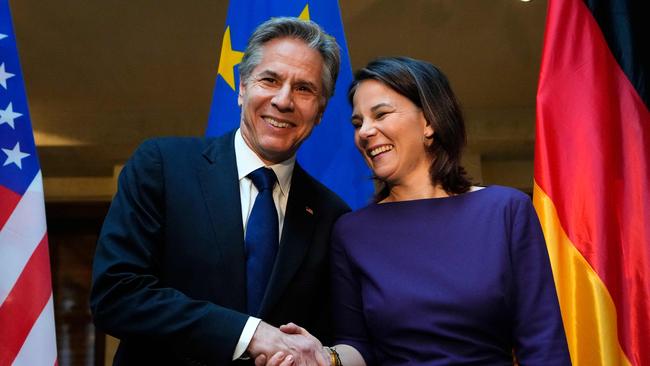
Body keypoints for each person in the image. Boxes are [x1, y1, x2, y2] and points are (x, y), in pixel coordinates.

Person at [259, 57, 571, 365]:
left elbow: (543, 344)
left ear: (429, 122)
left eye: (381, 114)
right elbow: (358, 345)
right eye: (358, 123)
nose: (365, 131)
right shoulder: (351, 231)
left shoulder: (506, 210)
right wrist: (326, 358)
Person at [90, 17, 350, 366]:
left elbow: (329, 338)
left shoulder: (332, 216)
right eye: (270, 80)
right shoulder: (163, 166)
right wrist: (250, 333)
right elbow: (115, 295)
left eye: (304, 89)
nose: (284, 100)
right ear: (242, 87)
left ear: (319, 112)